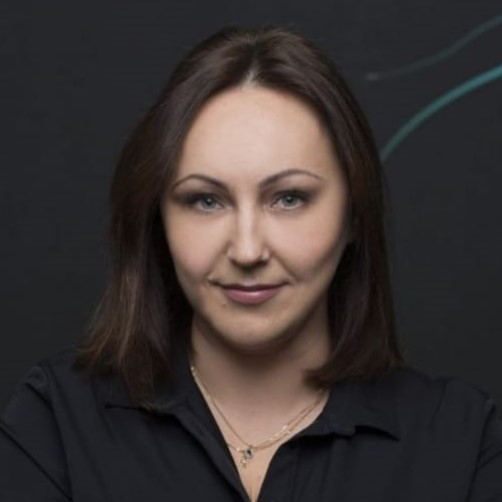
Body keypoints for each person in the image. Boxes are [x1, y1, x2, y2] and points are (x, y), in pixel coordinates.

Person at [1, 25, 501, 502]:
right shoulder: (56, 424)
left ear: (353, 215)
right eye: (205, 201)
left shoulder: (462, 441)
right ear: (158, 219)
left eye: (289, 198)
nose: (246, 250)